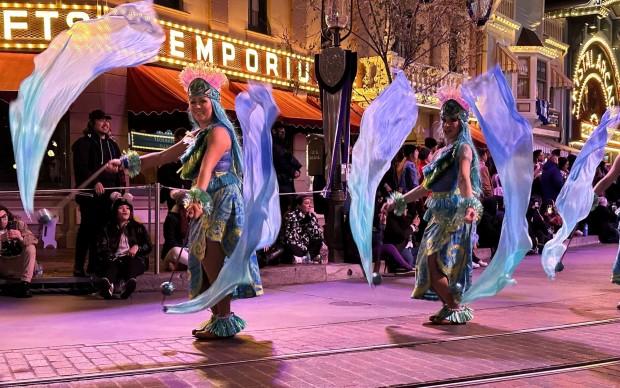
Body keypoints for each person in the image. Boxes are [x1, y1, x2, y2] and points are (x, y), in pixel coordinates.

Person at [110, 61, 262, 338]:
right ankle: (218, 317)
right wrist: (126, 162)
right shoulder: (196, 135)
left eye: (202, 100)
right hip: (205, 197)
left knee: (215, 263)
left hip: (220, 200)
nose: (197, 106)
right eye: (192, 101)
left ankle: (224, 319)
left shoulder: (218, 132)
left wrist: (196, 198)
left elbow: (206, 170)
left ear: (214, 102)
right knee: (205, 262)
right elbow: (161, 157)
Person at [384, 86, 482, 325]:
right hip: (438, 214)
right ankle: (449, 306)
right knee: (430, 262)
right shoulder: (440, 153)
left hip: (454, 214)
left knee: (435, 260)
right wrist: (397, 201)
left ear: (461, 123)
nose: (447, 125)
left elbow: (464, 178)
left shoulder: (463, 148)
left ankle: (455, 306)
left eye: (453, 120)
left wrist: (469, 204)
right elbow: (425, 188)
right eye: (444, 120)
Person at [72, 109, 123, 277]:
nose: (105, 123)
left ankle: (95, 265)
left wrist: (120, 191)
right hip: (90, 196)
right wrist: (95, 182)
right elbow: (81, 168)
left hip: (110, 196)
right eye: (101, 120)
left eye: (107, 120)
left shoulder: (113, 145)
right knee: (88, 229)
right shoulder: (83, 144)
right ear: (92, 123)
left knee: (103, 231)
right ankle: (79, 265)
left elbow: (120, 170)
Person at [96, 193, 152, 300]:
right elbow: (102, 247)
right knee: (113, 265)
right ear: (115, 212)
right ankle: (107, 285)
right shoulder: (107, 228)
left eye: (127, 208)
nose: (125, 210)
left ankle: (128, 285)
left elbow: (148, 246)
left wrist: (137, 247)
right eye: (121, 208)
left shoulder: (138, 228)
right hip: (114, 258)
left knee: (132, 263)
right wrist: (113, 258)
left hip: (134, 258)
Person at [0, 206, 37, 298]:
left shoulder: (18, 225)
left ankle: (25, 285)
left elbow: (34, 240)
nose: (2, 221)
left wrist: (20, 237)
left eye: (4, 217)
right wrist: (1, 238)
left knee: (31, 248)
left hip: (18, 264)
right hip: (2, 266)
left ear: (8, 215)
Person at [280, 196, 324, 264]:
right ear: (299, 205)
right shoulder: (291, 216)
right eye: (306, 203)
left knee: (319, 241)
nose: (310, 205)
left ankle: (305, 258)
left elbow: (318, 234)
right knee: (292, 247)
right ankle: (307, 258)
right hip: (296, 244)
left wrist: (310, 224)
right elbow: (292, 237)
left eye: (310, 203)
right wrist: (305, 249)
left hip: (307, 244)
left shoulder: (311, 216)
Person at [158, 127, 192, 210]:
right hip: (174, 191)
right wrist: (181, 185)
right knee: (174, 214)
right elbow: (164, 174)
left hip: (188, 190)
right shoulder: (173, 152)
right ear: (181, 138)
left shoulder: (190, 153)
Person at [272, 123, 301, 215]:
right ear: (274, 131)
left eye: (284, 131)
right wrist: (293, 171)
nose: (283, 133)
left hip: (286, 183)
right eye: (281, 131)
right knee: (284, 208)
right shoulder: (274, 145)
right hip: (281, 183)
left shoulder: (282, 144)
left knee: (287, 207)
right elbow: (282, 162)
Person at [162, 190, 190, 271]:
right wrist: (185, 249)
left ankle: (184, 264)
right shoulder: (171, 218)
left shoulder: (194, 218)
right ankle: (197, 266)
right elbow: (171, 242)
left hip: (189, 251)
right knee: (176, 251)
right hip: (174, 251)